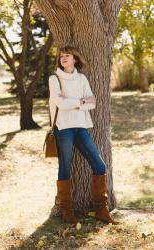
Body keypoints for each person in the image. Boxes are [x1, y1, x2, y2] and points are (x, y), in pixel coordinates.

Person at [48, 46, 117, 225]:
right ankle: (67, 212)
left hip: (81, 127)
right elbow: (60, 104)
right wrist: (80, 101)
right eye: (61, 56)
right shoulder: (54, 79)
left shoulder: (82, 78)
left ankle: (101, 210)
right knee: (65, 167)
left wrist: (72, 101)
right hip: (63, 128)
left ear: (75, 59)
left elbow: (92, 103)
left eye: (67, 56)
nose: (63, 58)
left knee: (99, 165)